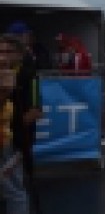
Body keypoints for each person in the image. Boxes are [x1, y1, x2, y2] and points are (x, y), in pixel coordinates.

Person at [0, 34, 32, 214]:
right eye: (0, 51)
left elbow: (35, 110)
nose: (3, 56)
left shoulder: (27, 74)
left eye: (8, 51)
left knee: (13, 188)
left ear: (19, 54)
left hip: (11, 141)